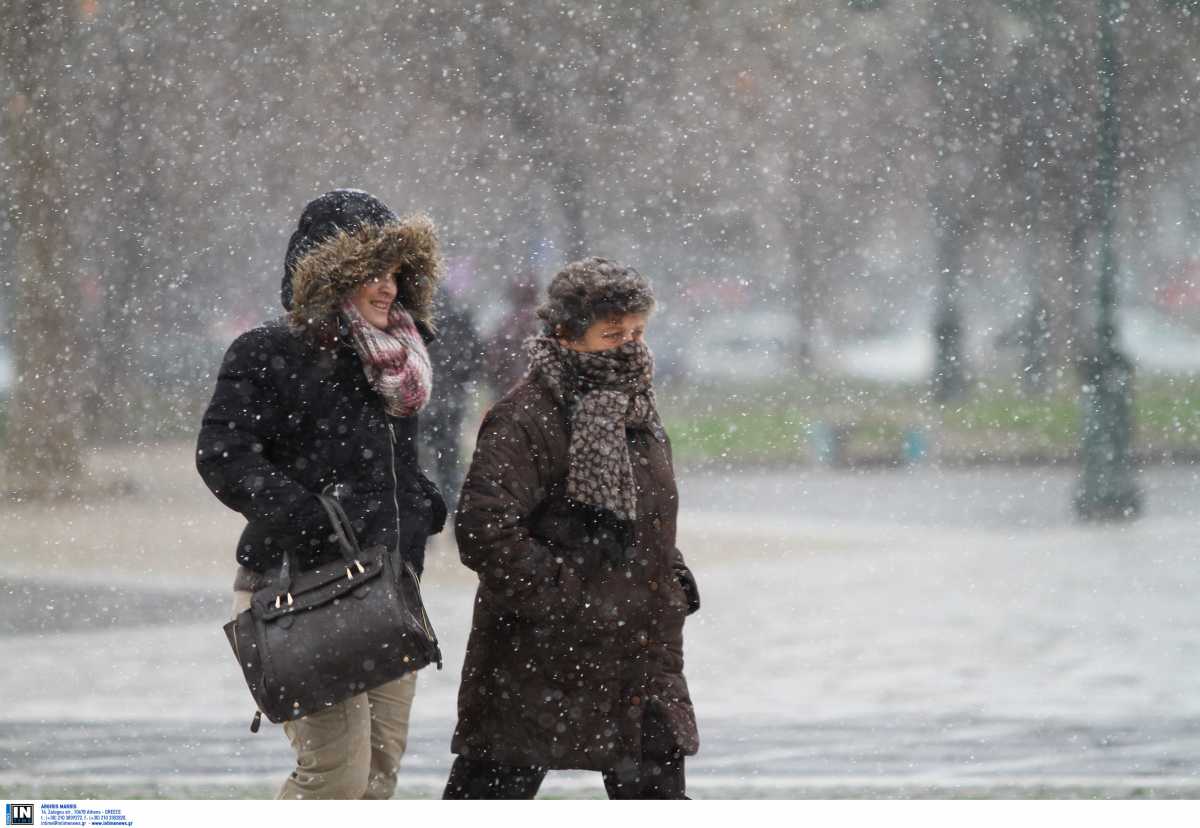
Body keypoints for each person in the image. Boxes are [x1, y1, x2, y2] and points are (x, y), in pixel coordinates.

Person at [196, 189, 447, 799]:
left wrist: (420, 502)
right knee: (334, 777)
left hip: (386, 588)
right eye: (370, 272)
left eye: (394, 271)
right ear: (328, 272)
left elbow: (390, 465)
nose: (387, 286)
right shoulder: (268, 352)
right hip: (298, 588)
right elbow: (223, 455)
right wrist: (314, 518)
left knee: (378, 776)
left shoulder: (398, 359)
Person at [444, 257, 701, 799]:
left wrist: (670, 574)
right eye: (612, 334)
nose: (630, 347)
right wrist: (568, 596)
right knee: (491, 792)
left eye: (637, 331)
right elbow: (484, 528)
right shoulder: (526, 416)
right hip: (539, 658)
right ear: (566, 335)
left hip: (638, 652)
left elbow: (648, 512)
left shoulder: (637, 408)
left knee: (656, 794)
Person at [422, 288, 484, 514]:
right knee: (448, 459)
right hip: (450, 402)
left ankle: (428, 512)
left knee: (419, 462)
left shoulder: (419, 318)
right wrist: (460, 384)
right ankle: (451, 510)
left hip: (425, 402)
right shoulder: (460, 316)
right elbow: (476, 356)